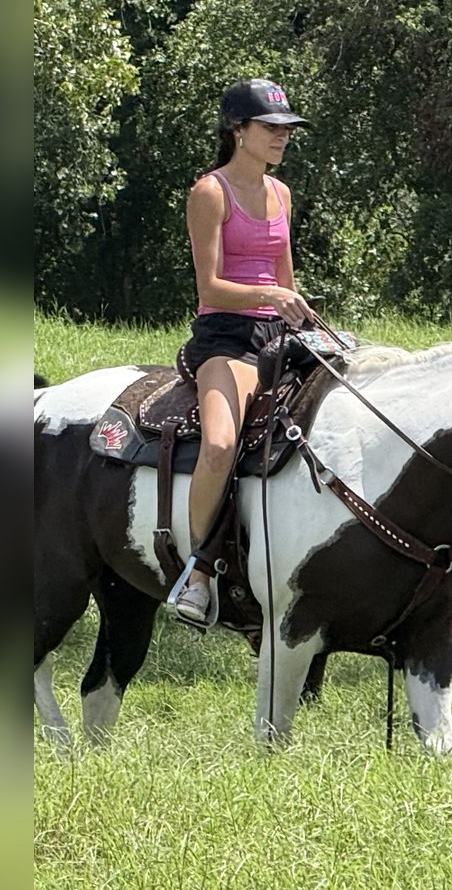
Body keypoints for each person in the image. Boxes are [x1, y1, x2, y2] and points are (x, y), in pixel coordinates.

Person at [171, 78, 316, 623]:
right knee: (220, 443)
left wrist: (303, 315)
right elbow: (208, 287)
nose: (283, 137)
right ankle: (197, 571)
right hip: (226, 338)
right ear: (238, 130)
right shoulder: (209, 193)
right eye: (271, 128)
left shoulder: (281, 194)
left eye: (287, 129)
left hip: (277, 335)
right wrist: (270, 295)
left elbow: (287, 283)